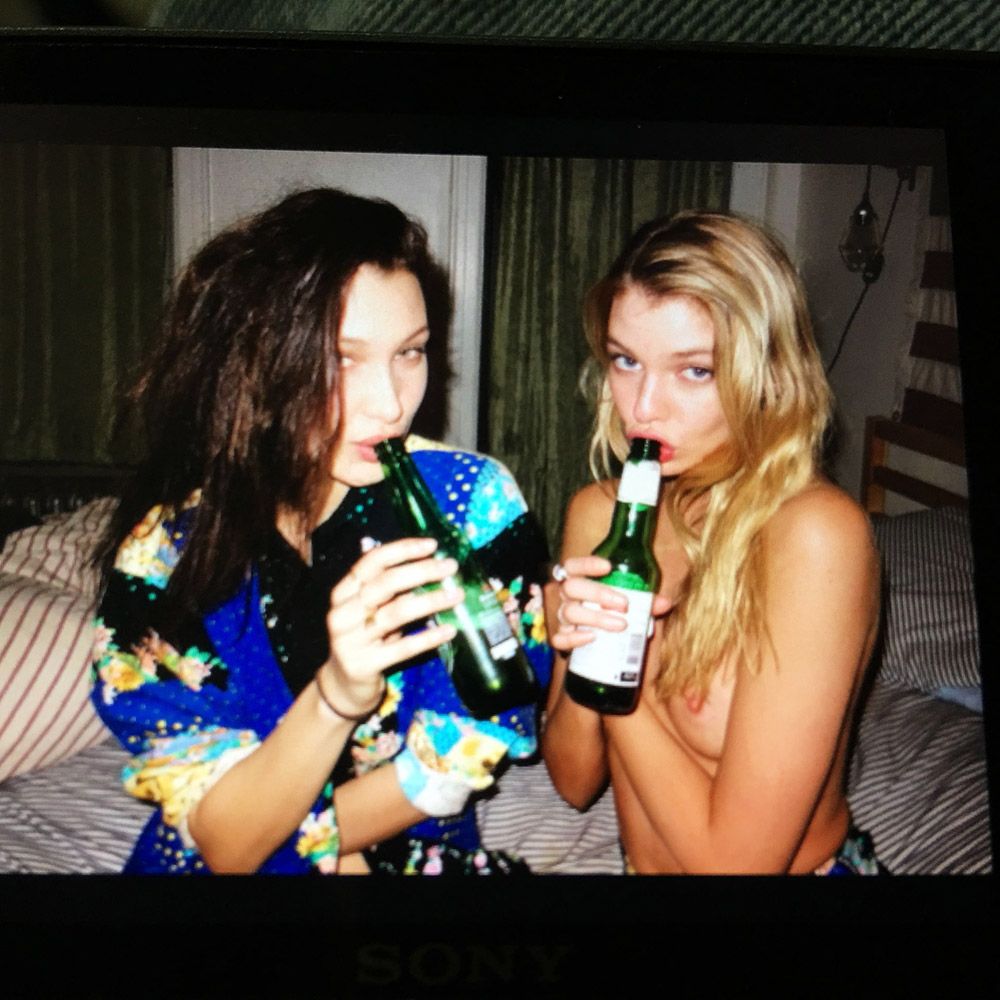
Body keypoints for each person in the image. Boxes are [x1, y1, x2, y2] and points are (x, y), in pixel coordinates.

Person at [90, 187, 552, 875]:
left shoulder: (469, 505)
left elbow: (454, 762)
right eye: (342, 359)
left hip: (399, 849)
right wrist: (336, 697)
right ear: (255, 364)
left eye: (411, 352)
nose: (391, 404)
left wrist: (289, 840)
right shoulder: (165, 552)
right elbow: (220, 838)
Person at [541, 210, 884, 875]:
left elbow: (738, 867)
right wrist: (585, 653)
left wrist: (619, 661)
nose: (642, 407)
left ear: (770, 373)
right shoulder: (600, 514)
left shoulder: (816, 536)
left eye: (694, 371)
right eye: (625, 360)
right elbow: (574, 782)